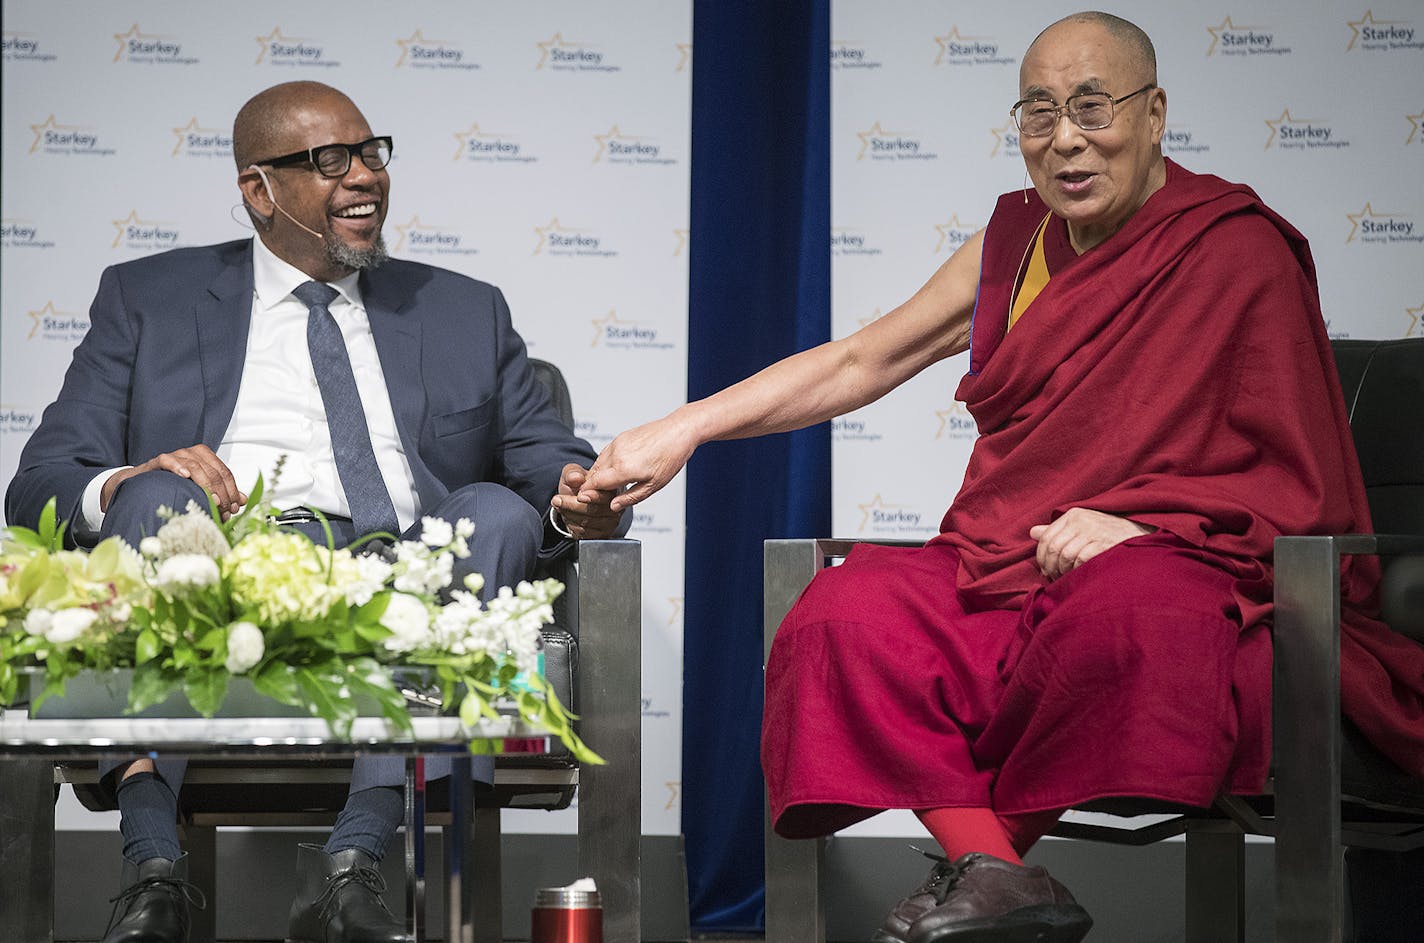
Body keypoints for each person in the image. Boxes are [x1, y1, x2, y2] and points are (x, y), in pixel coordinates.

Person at [563, 12, 1424, 943]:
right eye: (1039, 113)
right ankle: (1004, 880)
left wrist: (1149, 529)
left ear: (1155, 113)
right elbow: (860, 361)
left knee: (1131, 608)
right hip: (1011, 559)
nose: (1065, 140)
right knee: (846, 614)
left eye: (1093, 109)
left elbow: (1298, 480)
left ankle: (984, 877)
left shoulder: (1234, 248)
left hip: (1175, 565)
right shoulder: (1015, 243)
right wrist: (684, 428)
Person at [5, 81, 627, 943]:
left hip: (406, 573)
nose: (363, 176)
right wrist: (125, 479)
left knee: (494, 510)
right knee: (149, 497)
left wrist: (580, 502)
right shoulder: (147, 297)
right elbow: (38, 481)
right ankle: (152, 870)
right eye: (328, 161)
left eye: (372, 153)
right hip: (216, 571)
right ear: (259, 189)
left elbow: (547, 471)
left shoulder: (462, 309)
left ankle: (357, 860)